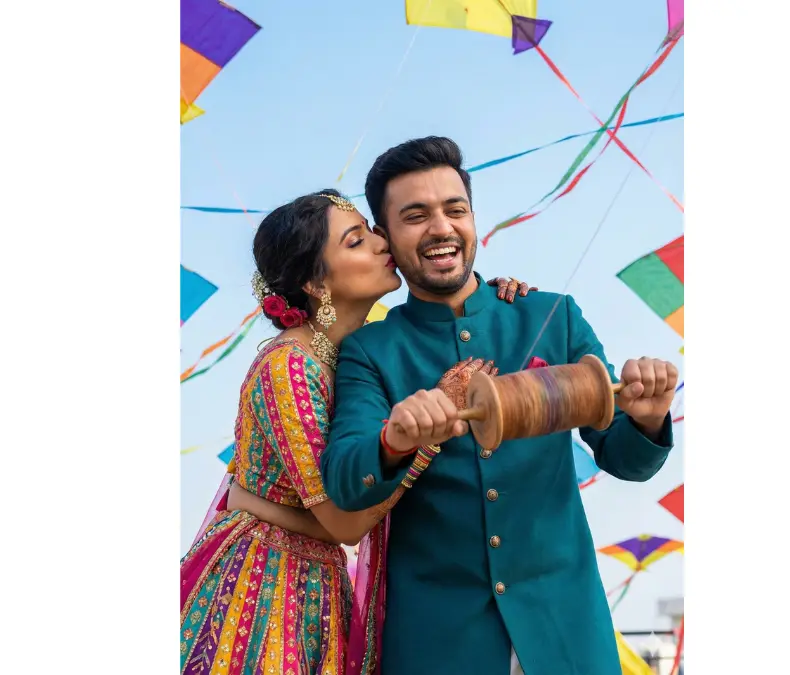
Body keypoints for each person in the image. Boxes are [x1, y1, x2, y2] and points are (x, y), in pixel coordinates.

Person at [319, 137, 679, 675]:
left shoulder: (551, 316)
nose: (440, 227)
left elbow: (625, 459)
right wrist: (396, 440)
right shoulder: (370, 351)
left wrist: (648, 418)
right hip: (437, 645)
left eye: (454, 209)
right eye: (415, 216)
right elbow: (346, 481)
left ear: (472, 219)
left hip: (568, 634)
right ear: (386, 236)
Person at [179, 187, 538, 675]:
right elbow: (343, 523)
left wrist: (488, 295)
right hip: (262, 589)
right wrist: (430, 433)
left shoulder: (360, 355)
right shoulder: (288, 366)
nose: (379, 242)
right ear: (316, 283)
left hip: (321, 586)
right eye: (355, 241)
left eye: (370, 230)